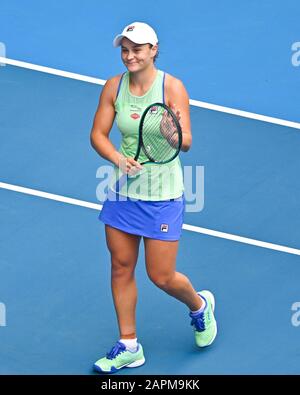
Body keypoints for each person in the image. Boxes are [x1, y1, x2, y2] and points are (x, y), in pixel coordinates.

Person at [90, 21, 217, 374]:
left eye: (137, 49)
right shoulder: (113, 87)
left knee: (161, 276)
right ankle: (129, 345)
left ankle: (199, 307)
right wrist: (117, 158)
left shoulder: (172, 87)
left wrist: (171, 132)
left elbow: (187, 141)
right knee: (120, 267)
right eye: (125, 50)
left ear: (153, 50)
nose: (130, 56)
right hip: (122, 192)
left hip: (162, 195)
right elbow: (97, 135)